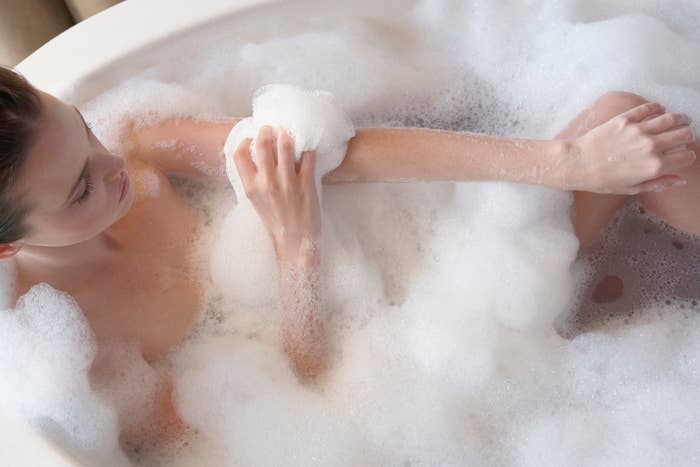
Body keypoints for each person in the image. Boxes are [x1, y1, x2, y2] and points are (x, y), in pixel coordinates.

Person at [0, 65, 696, 448]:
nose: (109, 160)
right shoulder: (68, 352)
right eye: (81, 185)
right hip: (407, 376)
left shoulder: (138, 144)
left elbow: (335, 155)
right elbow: (289, 401)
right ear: (9, 243)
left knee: (620, 118)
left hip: (432, 262)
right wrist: (298, 251)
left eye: (81, 126)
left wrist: (565, 159)